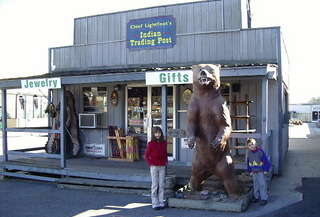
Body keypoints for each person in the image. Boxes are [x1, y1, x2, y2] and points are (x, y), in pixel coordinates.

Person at [144, 127, 168, 210]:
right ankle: (155, 202)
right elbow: (146, 155)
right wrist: (150, 163)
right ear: (153, 134)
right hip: (154, 166)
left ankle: (161, 202)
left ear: (161, 133)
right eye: (156, 133)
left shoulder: (164, 143)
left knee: (161, 185)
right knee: (155, 185)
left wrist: (166, 161)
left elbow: (165, 153)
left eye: (159, 133)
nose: (158, 135)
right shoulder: (150, 144)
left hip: (162, 166)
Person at [247, 138, 270, 205]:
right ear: (248, 147)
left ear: (256, 144)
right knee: (256, 185)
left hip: (261, 172)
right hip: (254, 172)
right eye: (249, 145)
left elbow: (266, 161)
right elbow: (249, 162)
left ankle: (264, 198)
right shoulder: (249, 153)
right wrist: (250, 170)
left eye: (253, 144)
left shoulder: (260, 152)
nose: (251, 146)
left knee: (262, 185)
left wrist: (266, 169)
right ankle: (256, 197)